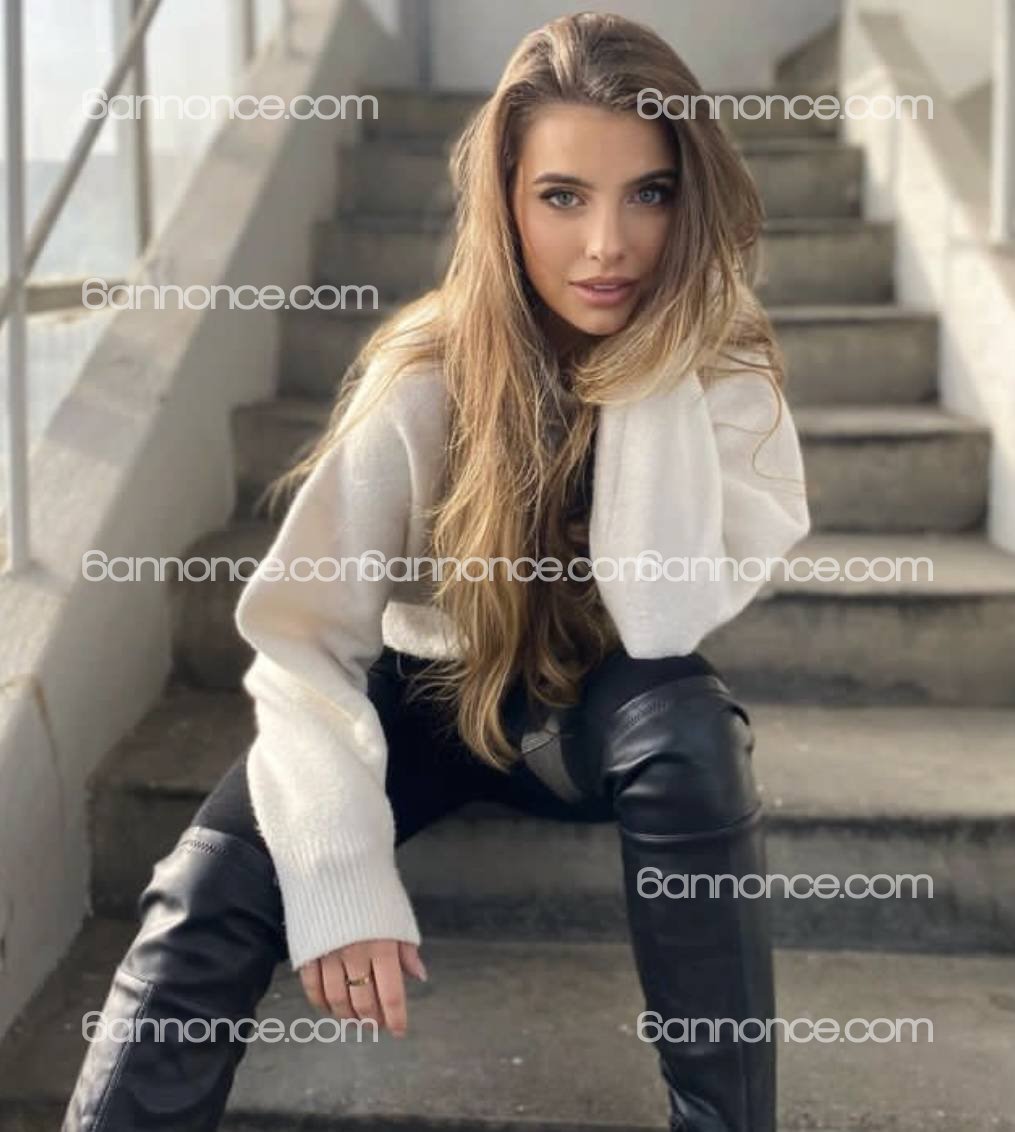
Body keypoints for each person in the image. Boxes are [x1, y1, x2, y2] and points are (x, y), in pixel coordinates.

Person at [62, 11, 810, 1131]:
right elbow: (302, 637)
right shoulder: (429, 367)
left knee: (690, 731)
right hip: (423, 696)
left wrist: (649, 361)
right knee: (206, 881)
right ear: (505, 203)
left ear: (690, 196)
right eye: (563, 196)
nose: (607, 244)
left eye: (648, 194)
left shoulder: (722, 356)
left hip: (593, 712)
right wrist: (338, 867)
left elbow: (661, 616)